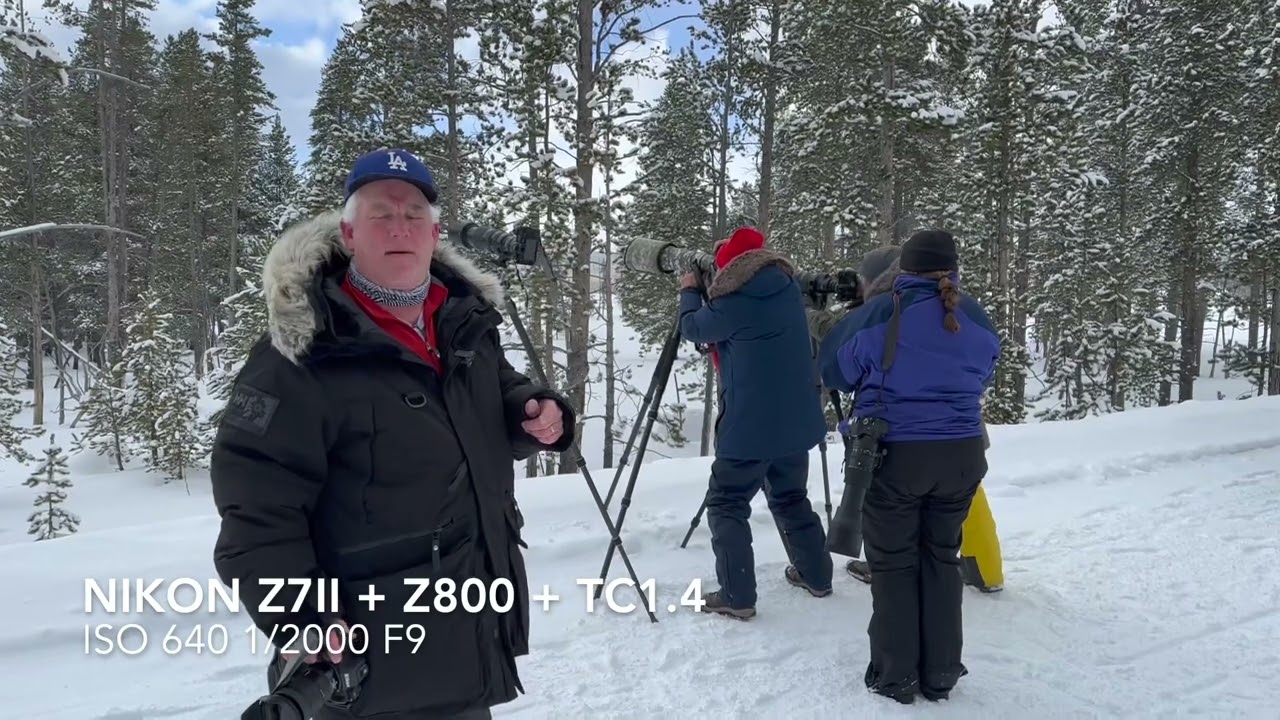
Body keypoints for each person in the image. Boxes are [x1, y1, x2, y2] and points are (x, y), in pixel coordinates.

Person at [209, 148, 575, 720]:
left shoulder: (465, 323)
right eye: (382, 214)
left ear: (434, 236)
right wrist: (304, 618)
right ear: (350, 234)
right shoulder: (301, 353)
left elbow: (492, 397)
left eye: (414, 215)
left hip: (467, 639)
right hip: (369, 664)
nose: (400, 226)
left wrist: (532, 411)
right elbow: (256, 510)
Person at [817, 229, 1000, 704]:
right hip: (962, 454)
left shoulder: (883, 311)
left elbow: (834, 369)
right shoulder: (975, 314)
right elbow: (986, 368)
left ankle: (896, 675)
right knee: (940, 558)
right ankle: (940, 673)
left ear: (905, 270)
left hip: (895, 453)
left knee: (894, 564)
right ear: (952, 269)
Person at [809, 246, 1004, 593]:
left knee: (901, 514)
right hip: (961, 432)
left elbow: (841, 361)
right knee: (967, 502)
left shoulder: (888, 308)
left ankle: (893, 566)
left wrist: (818, 316)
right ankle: (987, 571)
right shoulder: (958, 305)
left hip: (904, 435)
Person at [677, 226, 834, 620]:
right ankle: (817, 575)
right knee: (790, 497)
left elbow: (693, 327)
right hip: (796, 423)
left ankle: (736, 595)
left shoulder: (735, 302)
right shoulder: (785, 288)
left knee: (727, 504)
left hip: (749, 428)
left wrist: (689, 290)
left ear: (730, 269)